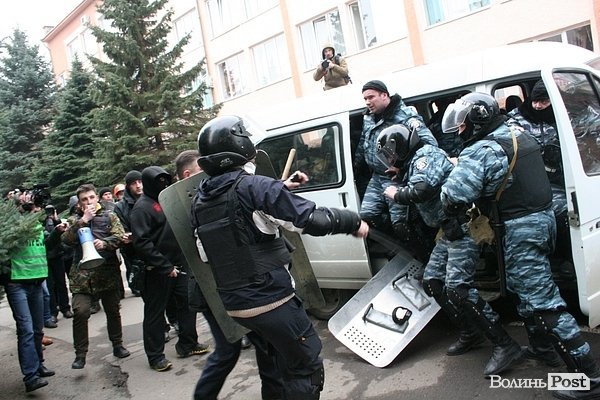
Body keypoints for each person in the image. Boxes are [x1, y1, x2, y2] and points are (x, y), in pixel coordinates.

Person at [191, 115, 369, 399]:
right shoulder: (256, 187)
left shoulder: (201, 200)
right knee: (305, 368)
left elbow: (206, 252)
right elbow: (312, 220)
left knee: (273, 364)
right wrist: (352, 222)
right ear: (240, 146)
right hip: (271, 299)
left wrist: (280, 189)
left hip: (237, 306)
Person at [440, 92, 600, 398]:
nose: (460, 130)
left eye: (462, 125)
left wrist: (456, 170)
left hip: (520, 229)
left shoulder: (481, 150)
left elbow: (454, 196)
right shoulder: (517, 133)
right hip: (543, 222)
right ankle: (543, 350)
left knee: (543, 302)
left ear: (476, 120)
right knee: (524, 289)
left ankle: (588, 378)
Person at [379, 124, 525, 376]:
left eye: (392, 155)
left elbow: (422, 190)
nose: (390, 161)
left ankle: (505, 344)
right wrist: (401, 172)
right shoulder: (414, 162)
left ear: (402, 147)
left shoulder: (425, 156)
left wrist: (396, 194)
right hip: (448, 230)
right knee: (433, 281)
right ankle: (471, 332)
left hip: (464, 226)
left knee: (458, 288)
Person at [130, 166, 209, 372]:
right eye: (159, 181)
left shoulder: (167, 199)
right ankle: (155, 356)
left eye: (165, 180)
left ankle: (187, 343)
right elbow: (142, 242)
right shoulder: (142, 208)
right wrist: (164, 266)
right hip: (157, 270)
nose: (163, 184)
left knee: (187, 304)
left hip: (179, 264)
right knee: (155, 313)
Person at [355, 79, 438, 262]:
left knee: (401, 224)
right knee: (368, 215)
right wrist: (357, 165)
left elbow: (429, 145)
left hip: (396, 177)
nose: (367, 102)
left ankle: (425, 257)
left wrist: (401, 167)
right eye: (365, 99)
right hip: (377, 177)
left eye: (371, 97)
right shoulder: (369, 117)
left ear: (384, 95)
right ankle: (400, 246)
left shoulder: (405, 116)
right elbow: (364, 142)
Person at [507, 80, 572, 277]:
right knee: (564, 212)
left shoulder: (562, 115)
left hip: (563, 176)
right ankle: (563, 258)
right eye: (535, 101)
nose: (537, 106)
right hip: (536, 180)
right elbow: (515, 142)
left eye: (543, 102)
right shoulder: (518, 118)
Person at [62, 184, 130, 369]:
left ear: (97, 198)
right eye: (84, 199)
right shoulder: (74, 220)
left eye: (91, 197)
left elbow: (120, 236)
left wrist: (105, 243)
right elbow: (66, 240)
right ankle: (80, 354)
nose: (89, 202)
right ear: (79, 203)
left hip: (106, 273)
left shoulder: (109, 216)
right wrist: (83, 220)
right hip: (82, 277)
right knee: (80, 311)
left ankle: (117, 344)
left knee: (112, 310)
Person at [0, 195, 64, 392]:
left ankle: (39, 366)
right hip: (17, 283)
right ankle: (30, 376)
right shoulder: (11, 225)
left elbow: (45, 245)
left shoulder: (36, 224)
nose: (34, 207)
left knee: (37, 329)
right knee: (26, 329)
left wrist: (57, 232)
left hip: (37, 281)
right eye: (27, 204)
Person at [114, 170, 144, 297]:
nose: (138, 186)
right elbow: (121, 229)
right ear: (128, 186)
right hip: (133, 251)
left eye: (140, 182)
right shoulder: (120, 207)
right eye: (134, 183)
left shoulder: (150, 198)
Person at [43, 205, 73, 322]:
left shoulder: (55, 220)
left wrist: (56, 220)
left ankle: (65, 308)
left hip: (58, 255)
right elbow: (47, 238)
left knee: (61, 283)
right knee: (50, 285)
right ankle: (53, 312)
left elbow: (62, 234)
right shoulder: (39, 220)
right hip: (45, 257)